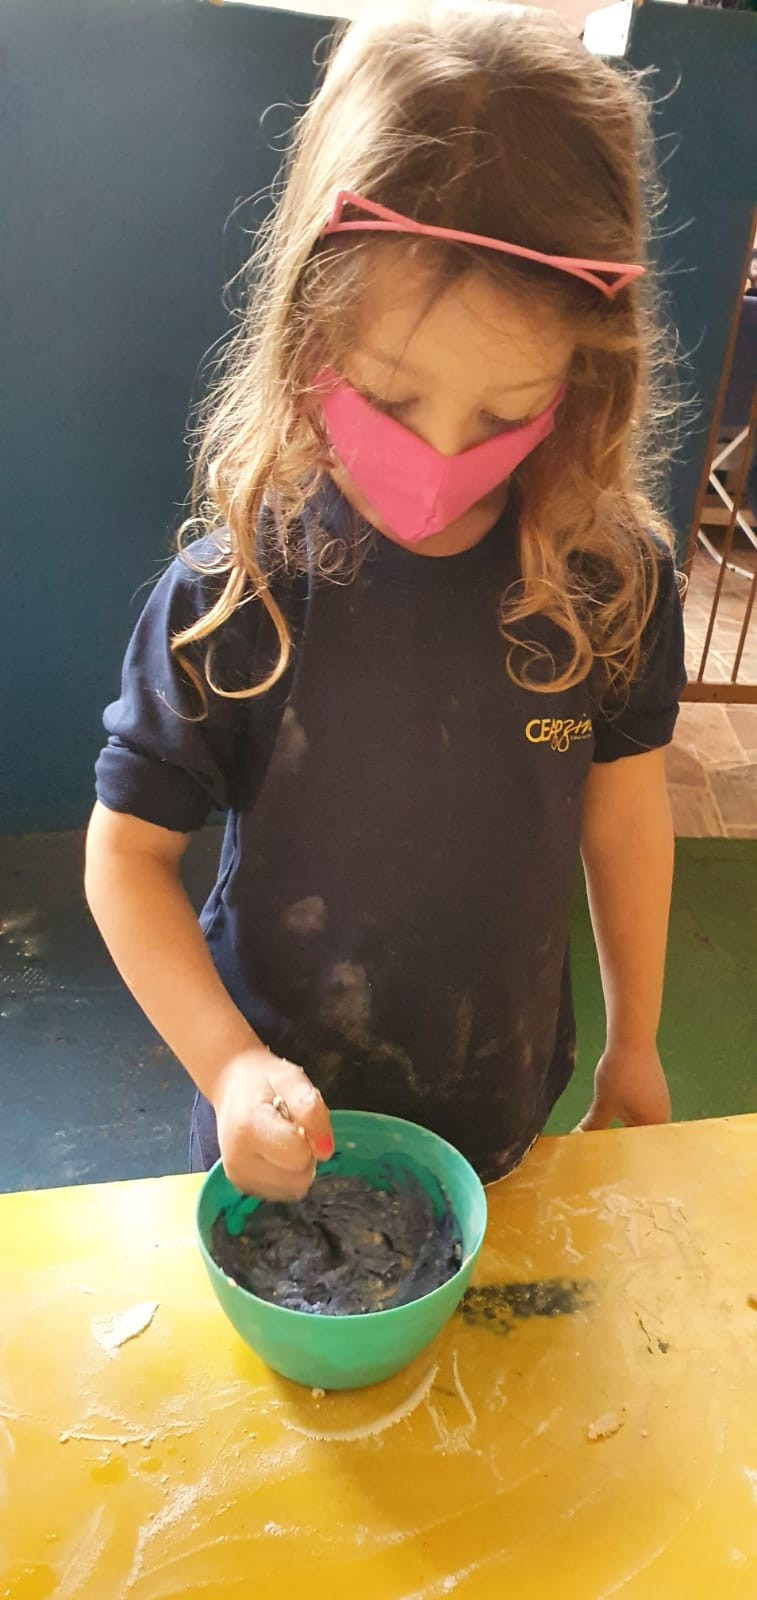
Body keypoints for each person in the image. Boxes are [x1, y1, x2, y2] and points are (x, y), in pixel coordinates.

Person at [85, 0, 687, 1202]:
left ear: (584, 380)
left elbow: (622, 811)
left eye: (506, 412)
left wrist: (634, 1039)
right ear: (305, 330)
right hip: (279, 1137)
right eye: (392, 398)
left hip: (503, 1111)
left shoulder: (607, 585)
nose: (440, 459)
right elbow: (127, 858)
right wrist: (229, 1067)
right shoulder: (233, 597)